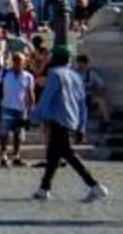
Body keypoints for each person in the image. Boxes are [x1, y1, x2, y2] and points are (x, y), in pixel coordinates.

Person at [29, 42, 108, 204]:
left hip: (58, 119)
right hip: (72, 119)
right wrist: (81, 126)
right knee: (53, 155)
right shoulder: (76, 76)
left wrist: (34, 117)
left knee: (67, 153)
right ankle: (44, 188)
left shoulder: (55, 74)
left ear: (57, 58)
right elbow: (81, 103)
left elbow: (47, 98)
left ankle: (95, 185)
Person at [0, 53, 38, 167]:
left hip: (21, 108)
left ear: (24, 63)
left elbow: (30, 93)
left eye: (20, 61)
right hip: (6, 107)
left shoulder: (28, 76)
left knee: (18, 134)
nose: (18, 63)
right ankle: (3, 156)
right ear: (13, 62)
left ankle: (16, 156)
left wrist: (32, 107)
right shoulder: (4, 74)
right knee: (4, 133)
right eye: (15, 60)